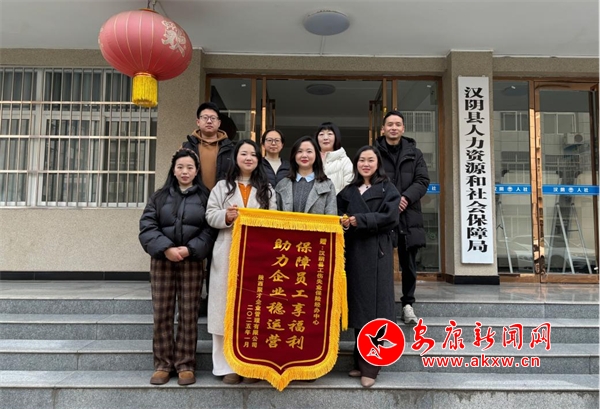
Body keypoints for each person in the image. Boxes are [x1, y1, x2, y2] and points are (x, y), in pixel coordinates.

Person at [139, 148, 216, 386]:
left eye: (190, 167)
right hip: (162, 261)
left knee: (189, 313)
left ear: (196, 171)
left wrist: (189, 249)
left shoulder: (205, 197)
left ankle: (185, 364)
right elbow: (147, 226)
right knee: (162, 312)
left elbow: (209, 230)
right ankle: (163, 364)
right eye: (180, 167)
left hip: (192, 261)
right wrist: (166, 248)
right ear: (173, 170)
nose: (185, 171)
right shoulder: (159, 196)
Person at [205, 139, 277, 385]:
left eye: (253, 154)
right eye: (244, 154)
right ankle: (226, 367)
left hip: (258, 256)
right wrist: (226, 216)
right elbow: (210, 214)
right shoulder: (221, 187)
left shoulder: (267, 189)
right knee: (223, 308)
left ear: (258, 159)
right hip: (227, 252)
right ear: (235, 158)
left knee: (253, 308)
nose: (248, 158)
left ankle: (251, 365)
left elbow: (274, 219)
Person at [337, 146, 400, 388]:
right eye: (361, 160)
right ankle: (359, 361)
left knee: (375, 309)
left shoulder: (388, 188)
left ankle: (371, 367)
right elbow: (337, 213)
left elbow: (390, 217)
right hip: (354, 253)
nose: (366, 164)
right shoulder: (348, 190)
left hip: (377, 252)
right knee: (360, 307)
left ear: (378, 163)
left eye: (370, 160)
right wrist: (344, 222)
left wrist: (360, 220)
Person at [374, 110, 429, 325]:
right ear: (383, 129)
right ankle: (382, 304)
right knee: (380, 262)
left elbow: (422, 180)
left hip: (409, 215)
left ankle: (407, 304)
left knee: (408, 263)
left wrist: (405, 198)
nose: (394, 128)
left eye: (398, 124)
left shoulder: (415, 153)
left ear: (403, 128)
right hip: (384, 213)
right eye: (390, 124)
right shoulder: (374, 152)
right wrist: (391, 201)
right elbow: (369, 178)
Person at [275, 135, 337, 215]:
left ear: (316, 155)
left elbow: (331, 217)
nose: (304, 155)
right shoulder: (282, 185)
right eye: (299, 151)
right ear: (294, 155)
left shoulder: (327, 185)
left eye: (309, 151)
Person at [182, 101, 234, 190]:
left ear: (219, 123)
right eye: (205, 118)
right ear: (198, 122)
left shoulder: (230, 148)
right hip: (193, 195)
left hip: (222, 196)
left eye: (213, 118)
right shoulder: (186, 147)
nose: (209, 121)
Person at [314, 122, 353, 194]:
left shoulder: (344, 161)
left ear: (336, 137)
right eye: (321, 134)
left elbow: (349, 189)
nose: (325, 138)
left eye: (330, 134)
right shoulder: (311, 160)